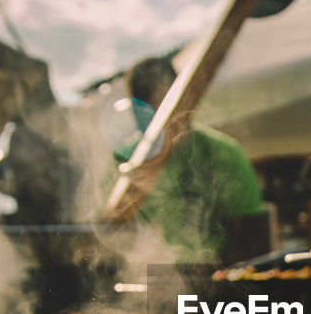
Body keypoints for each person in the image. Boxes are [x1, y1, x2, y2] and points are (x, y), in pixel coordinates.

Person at [111, 56, 267, 263]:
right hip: (149, 281)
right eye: (144, 112)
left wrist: (201, 275)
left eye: (162, 108)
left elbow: (255, 243)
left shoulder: (224, 154)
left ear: (186, 101)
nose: (158, 121)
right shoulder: (123, 159)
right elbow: (111, 236)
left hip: (219, 284)